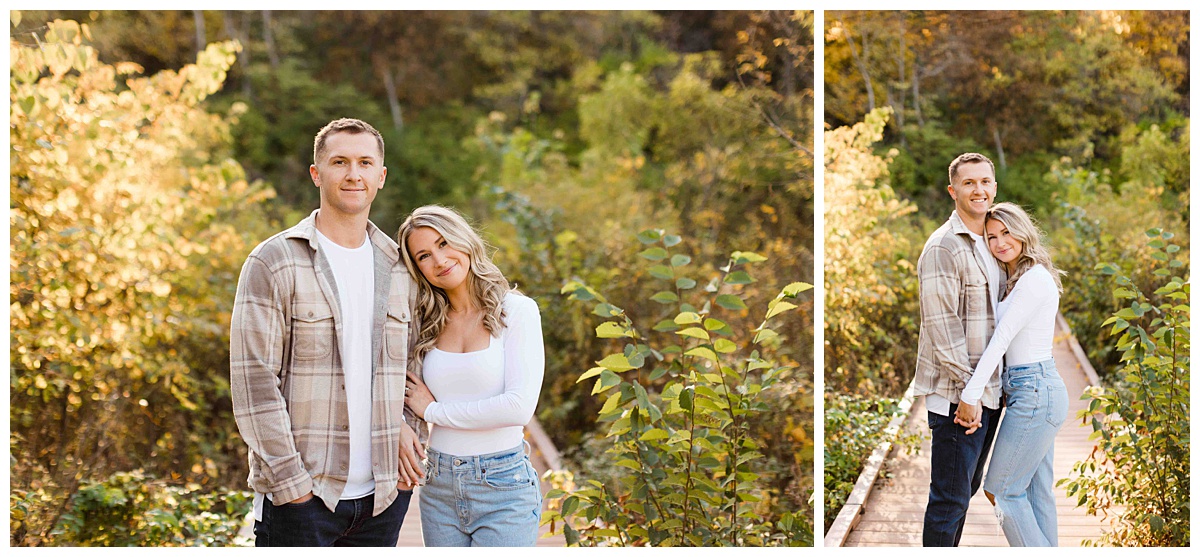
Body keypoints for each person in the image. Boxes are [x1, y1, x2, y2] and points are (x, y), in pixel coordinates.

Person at [230, 118, 427, 546]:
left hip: (383, 498)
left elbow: (416, 367)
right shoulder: (274, 261)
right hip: (302, 500)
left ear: (381, 177)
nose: (353, 174)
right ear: (317, 174)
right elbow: (254, 382)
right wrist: (291, 485)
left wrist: (409, 446)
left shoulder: (400, 270)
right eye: (339, 162)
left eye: (364, 163)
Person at [397, 205, 545, 547]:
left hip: (503, 486)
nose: (439, 259)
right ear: (417, 268)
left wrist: (432, 411)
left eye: (444, 243)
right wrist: (401, 424)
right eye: (424, 255)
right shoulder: (424, 321)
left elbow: (518, 408)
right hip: (438, 485)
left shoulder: (517, 311)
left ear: (464, 240)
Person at [954, 202, 1068, 546]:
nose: (1000, 242)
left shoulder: (1033, 279)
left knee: (1001, 491)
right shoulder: (1017, 277)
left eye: (1006, 232)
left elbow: (1001, 339)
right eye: (991, 237)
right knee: (1034, 492)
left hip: (1035, 391)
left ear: (1022, 231)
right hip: (1031, 390)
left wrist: (969, 395)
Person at [914, 152, 1006, 546]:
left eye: (984, 181)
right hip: (958, 395)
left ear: (994, 187)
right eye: (969, 183)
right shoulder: (943, 247)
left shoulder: (993, 242)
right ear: (953, 191)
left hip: (985, 391)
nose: (978, 190)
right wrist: (969, 393)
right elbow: (942, 327)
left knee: (963, 493)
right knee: (949, 499)